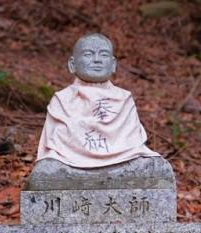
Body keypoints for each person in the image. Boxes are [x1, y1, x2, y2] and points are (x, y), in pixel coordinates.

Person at [37, 33, 161, 168]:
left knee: (154, 166)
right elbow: (51, 153)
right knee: (49, 168)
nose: (97, 60)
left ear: (113, 64)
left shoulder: (124, 99)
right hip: (68, 166)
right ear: (72, 64)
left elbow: (134, 145)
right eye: (88, 54)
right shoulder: (61, 100)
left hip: (124, 166)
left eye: (103, 55)